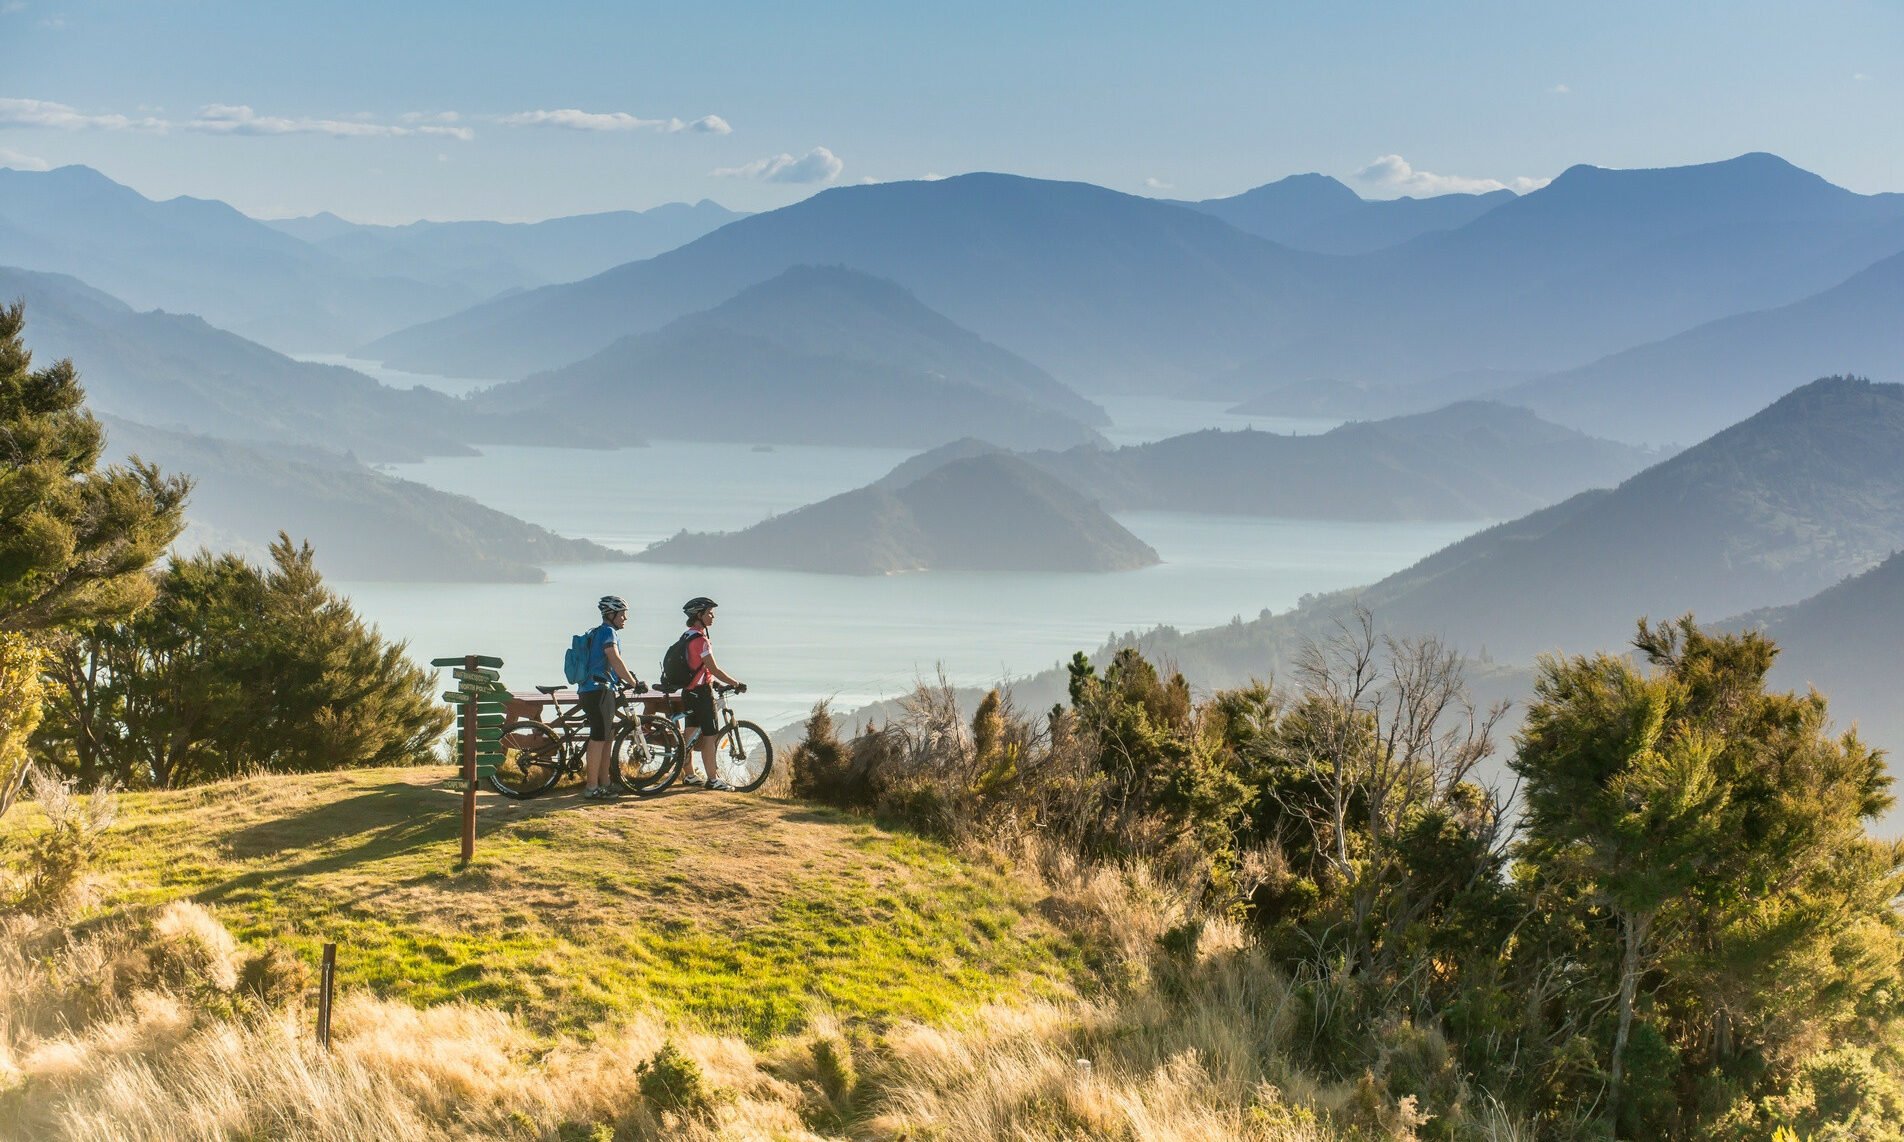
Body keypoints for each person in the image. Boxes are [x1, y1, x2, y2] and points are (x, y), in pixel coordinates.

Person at [676, 596, 746, 792]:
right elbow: (713, 668)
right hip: (702, 694)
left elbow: (695, 667)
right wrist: (735, 683)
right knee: (710, 737)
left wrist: (713, 681)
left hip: (688, 692)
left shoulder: (686, 636)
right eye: (709, 613)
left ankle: (689, 775)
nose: (712, 616)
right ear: (699, 615)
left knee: (689, 735)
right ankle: (713, 779)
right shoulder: (702, 640)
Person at [579, 595, 642, 800]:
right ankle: (591, 787)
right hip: (598, 691)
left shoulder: (599, 632)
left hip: (595, 689)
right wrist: (634, 683)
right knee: (598, 738)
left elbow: (606, 664)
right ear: (611, 614)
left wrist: (623, 678)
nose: (625, 618)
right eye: (622, 614)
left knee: (607, 736)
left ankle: (604, 783)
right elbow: (614, 659)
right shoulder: (608, 632)